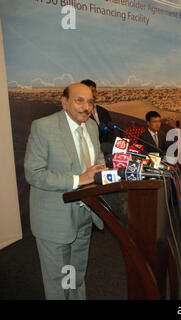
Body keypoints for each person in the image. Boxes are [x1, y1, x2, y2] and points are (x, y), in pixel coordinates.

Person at [24, 83, 106, 300]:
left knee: (74, 273)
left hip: (85, 214)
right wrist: (80, 179)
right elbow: (34, 173)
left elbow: (96, 159)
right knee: (58, 280)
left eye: (90, 101)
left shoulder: (92, 127)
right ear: (64, 102)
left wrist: (100, 170)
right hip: (55, 218)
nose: (86, 107)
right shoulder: (44, 127)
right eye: (79, 100)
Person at [80, 79, 113, 148]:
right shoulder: (78, 113)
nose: (92, 94)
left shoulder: (104, 111)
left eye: (93, 91)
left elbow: (110, 132)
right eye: (89, 91)